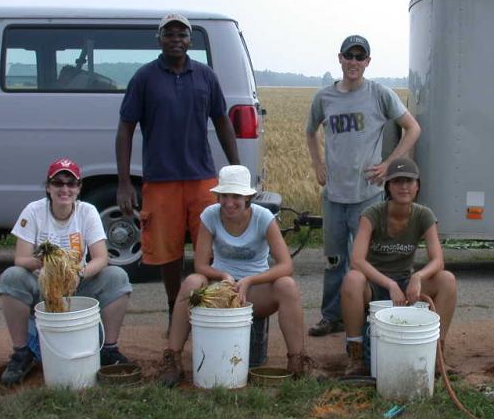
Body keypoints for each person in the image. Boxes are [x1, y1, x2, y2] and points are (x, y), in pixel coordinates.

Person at [116, 13, 239, 327]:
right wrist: (124, 182)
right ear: (159, 39)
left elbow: (222, 121)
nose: (176, 40)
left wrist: (236, 168)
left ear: (190, 40)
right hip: (161, 180)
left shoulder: (205, 76)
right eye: (169, 34)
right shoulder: (144, 78)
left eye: (182, 34)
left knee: (208, 250)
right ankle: (176, 309)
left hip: (202, 178)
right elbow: (125, 130)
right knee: (167, 252)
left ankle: (207, 308)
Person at [305, 35, 421, 337]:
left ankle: (370, 315)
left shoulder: (379, 94)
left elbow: (412, 128)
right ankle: (331, 316)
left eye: (360, 57)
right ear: (340, 58)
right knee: (334, 260)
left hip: (366, 197)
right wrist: (318, 163)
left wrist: (389, 165)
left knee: (367, 261)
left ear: (368, 62)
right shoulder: (324, 98)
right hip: (334, 194)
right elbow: (309, 132)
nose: (354, 62)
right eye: (349, 56)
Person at [157, 165, 312, 386]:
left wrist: (249, 281)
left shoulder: (263, 218)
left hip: (254, 291)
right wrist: (223, 277)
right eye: (224, 196)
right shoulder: (210, 216)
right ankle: (172, 358)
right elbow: (201, 265)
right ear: (218, 197)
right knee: (192, 282)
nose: (229, 203)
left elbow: (286, 265)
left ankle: (298, 362)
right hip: (220, 288)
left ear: (248, 198)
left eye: (236, 196)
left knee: (287, 286)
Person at [0, 158, 132, 386]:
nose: (65, 189)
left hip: (76, 285)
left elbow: (101, 258)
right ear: (48, 187)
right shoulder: (34, 211)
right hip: (43, 284)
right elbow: (20, 259)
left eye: (71, 183)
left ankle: (109, 349)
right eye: (58, 183)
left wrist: (79, 272)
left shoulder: (87, 212)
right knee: (11, 277)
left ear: (79, 188)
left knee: (117, 278)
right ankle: (21, 353)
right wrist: (47, 263)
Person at [340, 157, 456, 375]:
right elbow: (357, 259)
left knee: (447, 279)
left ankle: (437, 354)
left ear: (418, 186)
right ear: (388, 186)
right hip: (374, 284)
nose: (404, 187)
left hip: (405, 281)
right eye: (398, 181)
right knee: (353, 279)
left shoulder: (424, 214)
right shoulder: (372, 214)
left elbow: (438, 260)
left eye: (410, 181)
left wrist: (418, 278)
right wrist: (389, 284)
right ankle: (355, 355)